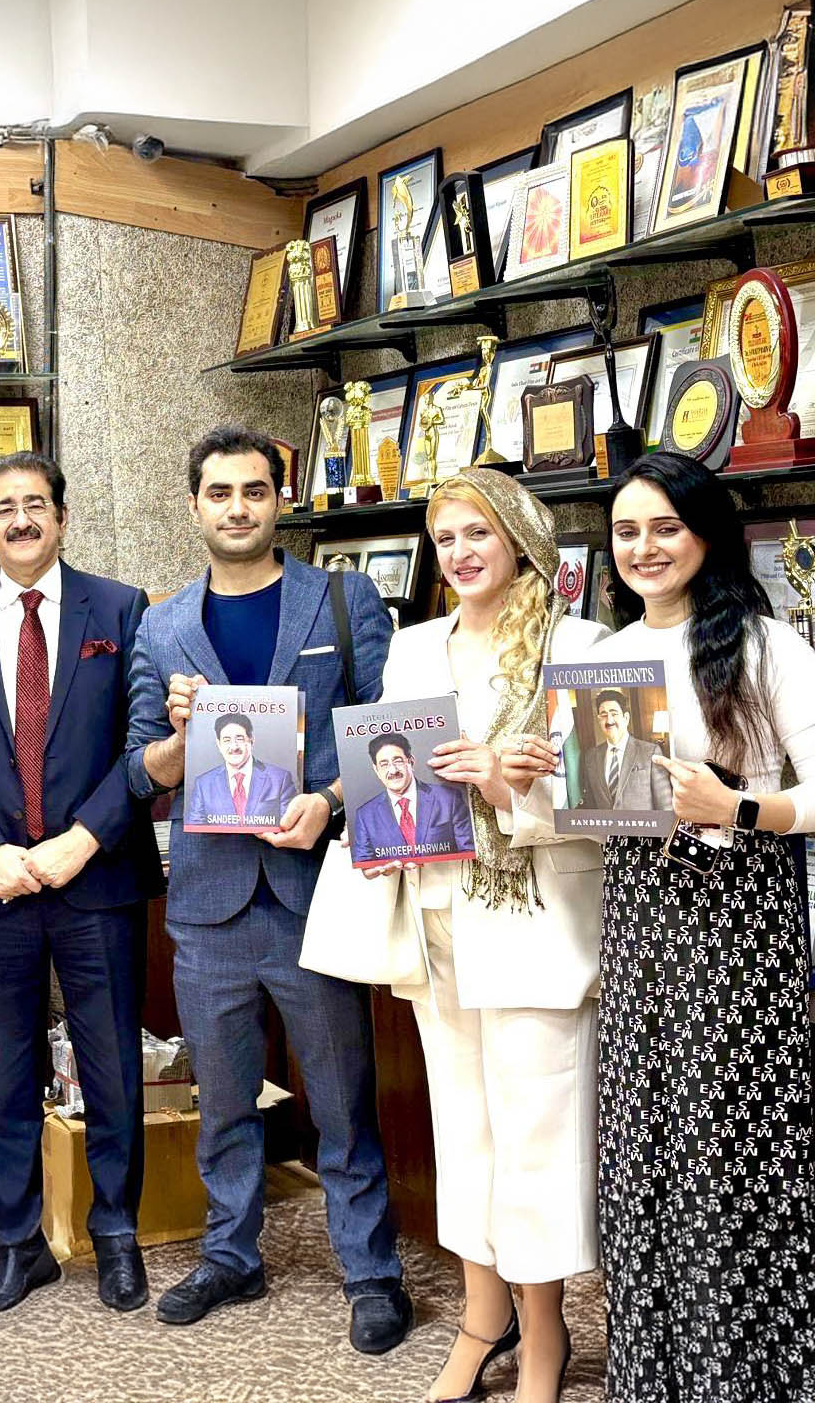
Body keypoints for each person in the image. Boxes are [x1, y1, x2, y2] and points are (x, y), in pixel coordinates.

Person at [124, 425, 410, 1344]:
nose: (238, 508)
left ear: (280, 500)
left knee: (341, 1101)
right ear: (194, 506)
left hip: (313, 892)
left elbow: (391, 733)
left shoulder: (340, 601)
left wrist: (330, 800)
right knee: (223, 1105)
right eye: (220, 493)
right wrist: (178, 740)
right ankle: (230, 1256)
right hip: (208, 906)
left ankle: (370, 1272)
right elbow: (141, 770)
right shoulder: (162, 625)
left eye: (255, 490)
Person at [360, 470, 607, 1403]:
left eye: (479, 533)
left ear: (521, 541)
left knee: (535, 1140)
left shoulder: (580, 645)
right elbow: (392, 776)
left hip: (538, 923)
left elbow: (611, 808)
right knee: (463, 1134)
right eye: (446, 538)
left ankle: (545, 1336)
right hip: (438, 921)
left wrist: (505, 783)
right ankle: (481, 1320)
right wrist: (384, 827)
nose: (460, 553)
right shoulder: (412, 647)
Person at [0, 452, 161, 1316]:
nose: (21, 520)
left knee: (112, 1066)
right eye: (4, 508)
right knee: (3, 1071)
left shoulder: (119, 609)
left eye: (36, 504)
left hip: (98, 875)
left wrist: (83, 839)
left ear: (61, 517)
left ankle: (116, 1233)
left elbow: (142, 742)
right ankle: (18, 1244)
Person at [593, 452, 815, 1402]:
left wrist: (741, 808)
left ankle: (750, 1377)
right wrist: (526, 781)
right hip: (639, 922)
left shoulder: (769, 650)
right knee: (645, 1146)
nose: (644, 547)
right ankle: (659, 1377)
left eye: (665, 527)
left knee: (728, 1150)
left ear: (707, 535)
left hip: (740, 926)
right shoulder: (601, 660)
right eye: (626, 531)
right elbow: (586, 813)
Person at [349, 731, 473, 862]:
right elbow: (364, 863)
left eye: (398, 761)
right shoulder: (365, 815)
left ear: (411, 762)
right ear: (376, 770)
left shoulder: (449, 799)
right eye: (384, 764)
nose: (393, 770)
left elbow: (469, 850)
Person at [184, 711, 297, 827]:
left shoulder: (280, 779)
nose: (234, 747)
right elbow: (196, 829)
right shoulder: (203, 784)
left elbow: (289, 826)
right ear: (219, 744)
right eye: (227, 740)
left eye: (239, 739)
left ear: (251, 740)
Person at [574, 689, 669, 812]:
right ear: (599, 720)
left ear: (626, 718)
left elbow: (665, 806)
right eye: (603, 715)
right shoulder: (591, 757)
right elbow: (591, 806)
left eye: (614, 714)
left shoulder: (650, 752)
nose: (609, 721)